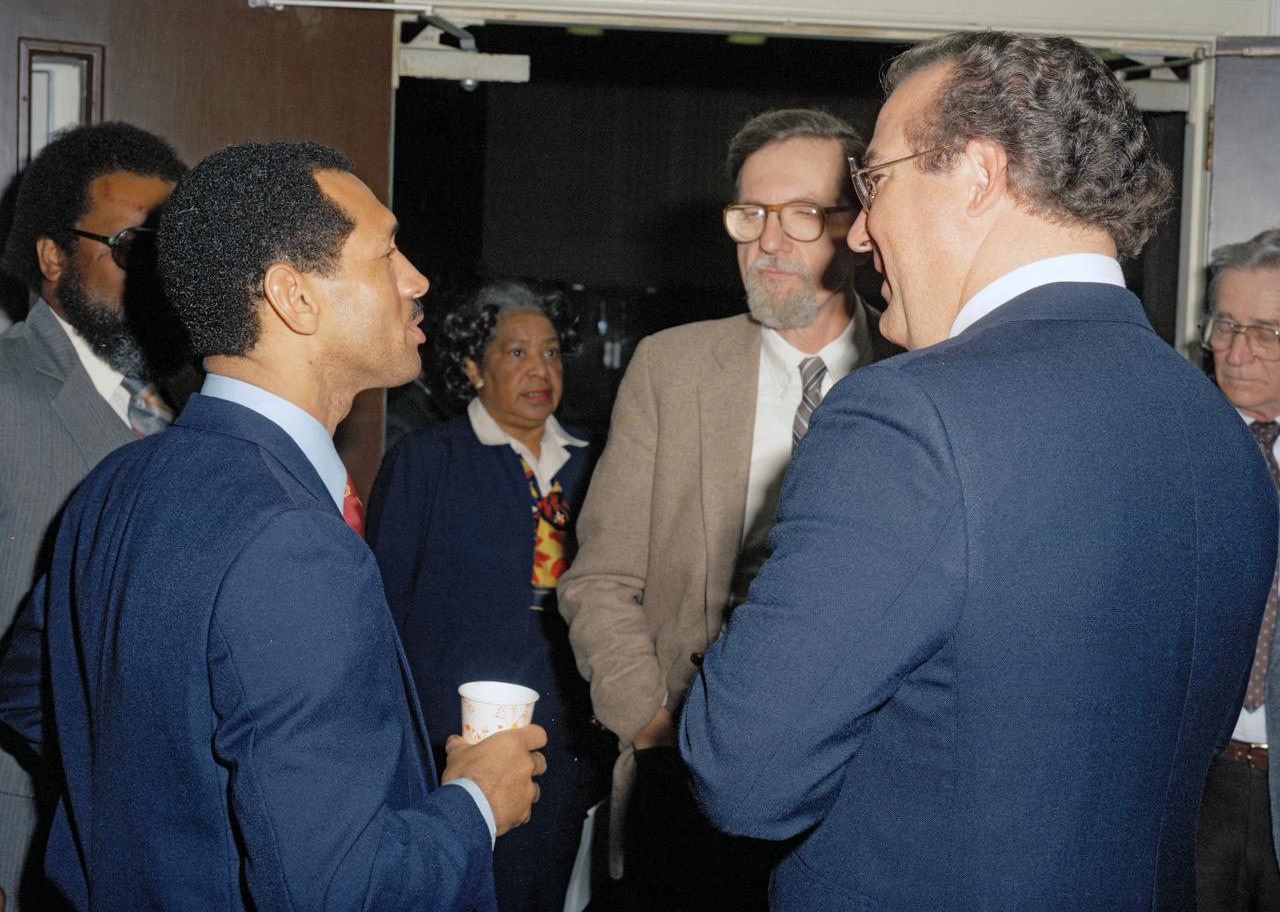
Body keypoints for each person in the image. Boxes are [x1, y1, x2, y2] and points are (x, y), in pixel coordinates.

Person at [679, 31, 1280, 910]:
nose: (859, 229)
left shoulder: (910, 419)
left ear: (980, 175)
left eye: (874, 181)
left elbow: (743, 774)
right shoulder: (1215, 431)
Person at [0, 141, 546, 911]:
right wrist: (479, 802)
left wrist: (176, 827)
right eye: (385, 252)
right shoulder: (294, 541)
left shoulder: (116, 483)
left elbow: (35, 695)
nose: (415, 279)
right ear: (294, 298)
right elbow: (341, 891)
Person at [558, 108, 893, 909]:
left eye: (801, 215)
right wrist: (653, 727)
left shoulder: (920, 374)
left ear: (857, 227)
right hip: (690, 781)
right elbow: (600, 580)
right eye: (750, 216)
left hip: (866, 790)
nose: (767, 243)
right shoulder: (670, 368)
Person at [368, 280, 609, 912]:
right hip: (454, 737)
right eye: (517, 353)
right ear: (473, 366)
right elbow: (382, 610)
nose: (540, 370)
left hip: (566, 732)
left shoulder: (598, 461)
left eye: (552, 353)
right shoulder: (428, 460)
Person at [0, 121, 186, 911]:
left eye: (167, 254)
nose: (154, 277)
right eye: (126, 246)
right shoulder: (8, 394)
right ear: (52, 258)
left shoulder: (180, 410)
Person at [1195, 228, 1280, 911]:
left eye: (1268, 330)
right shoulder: (1165, 449)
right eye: (1226, 324)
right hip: (1195, 782)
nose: (1239, 349)